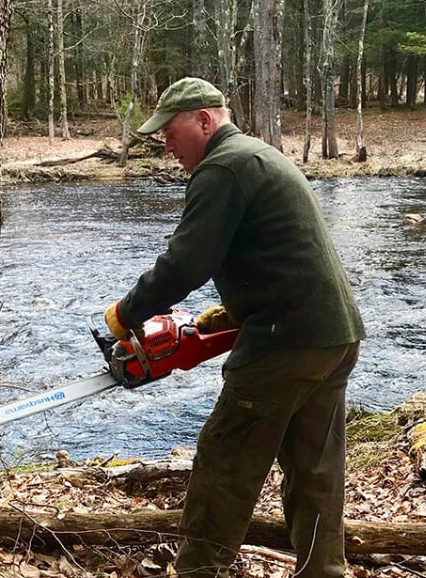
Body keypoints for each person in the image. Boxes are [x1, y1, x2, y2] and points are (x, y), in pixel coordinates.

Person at [103, 76, 364, 578]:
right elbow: (280, 257)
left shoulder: (222, 166)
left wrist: (127, 313)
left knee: (224, 465)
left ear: (205, 120)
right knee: (315, 472)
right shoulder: (257, 156)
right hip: (331, 333)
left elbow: (185, 263)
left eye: (171, 132)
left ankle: (198, 572)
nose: (166, 145)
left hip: (283, 340)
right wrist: (228, 316)